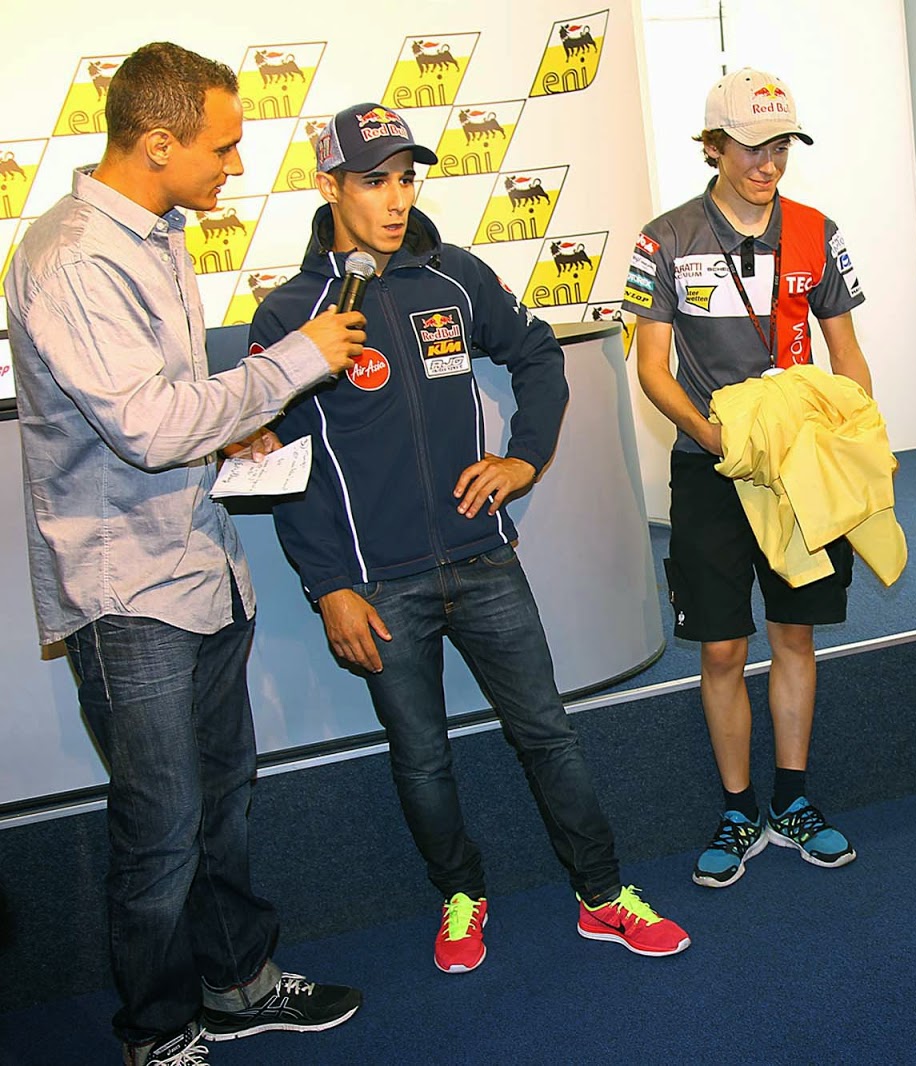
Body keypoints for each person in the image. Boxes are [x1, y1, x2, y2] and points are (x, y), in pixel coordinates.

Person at [247, 102, 690, 974]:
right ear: (329, 186)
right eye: (373, 180)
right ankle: (460, 895)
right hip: (378, 589)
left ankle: (602, 896)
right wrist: (329, 585)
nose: (395, 198)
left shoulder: (455, 277)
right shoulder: (291, 313)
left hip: (484, 561)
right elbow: (284, 464)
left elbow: (537, 355)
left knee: (548, 735)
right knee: (421, 760)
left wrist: (523, 459)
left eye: (405, 178)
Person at [2, 42, 367, 1066]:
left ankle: (237, 981)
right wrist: (290, 366)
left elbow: (166, 409)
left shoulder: (155, 234)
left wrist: (230, 428)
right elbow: (149, 429)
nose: (235, 166)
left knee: (220, 805)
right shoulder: (75, 256)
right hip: (129, 595)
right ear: (157, 143)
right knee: (161, 830)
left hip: (198, 569)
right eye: (223, 146)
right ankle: (157, 1030)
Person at [626, 68, 873, 888]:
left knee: (795, 635)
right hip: (711, 470)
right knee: (724, 646)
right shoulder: (664, 239)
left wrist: (852, 439)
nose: (769, 163)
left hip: (801, 469)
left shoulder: (816, 231)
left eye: (782, 147)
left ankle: (793, 799)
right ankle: (739, 810)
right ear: (712, 146)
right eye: (751, 147)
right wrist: (713, 437)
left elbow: (847, 352)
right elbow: (652, 369)